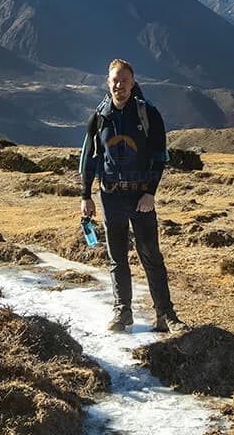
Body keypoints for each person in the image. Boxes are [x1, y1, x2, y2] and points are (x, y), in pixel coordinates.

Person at [79, 59, 185, 334]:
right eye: (115, 80)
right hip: (110, 197)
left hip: (141, 197)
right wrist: (85, 195)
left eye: (125, 80)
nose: (119, 85)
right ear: (108, 82)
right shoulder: (99, 117)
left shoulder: (148, 114)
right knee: (117, 257)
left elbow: (160, 157)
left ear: (133, 82)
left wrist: (150, 193)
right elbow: (88, 160)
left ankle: (166, 315)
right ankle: (122, 312)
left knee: (151, 254)